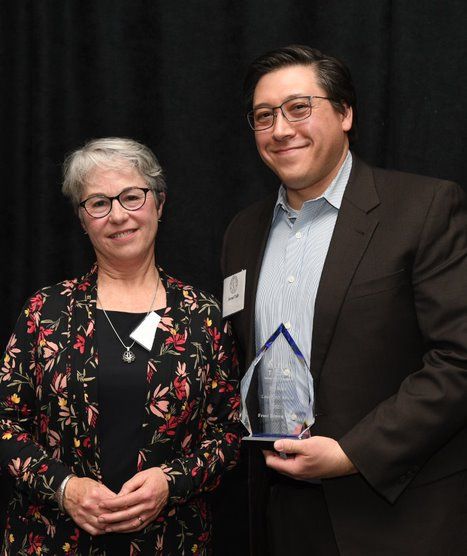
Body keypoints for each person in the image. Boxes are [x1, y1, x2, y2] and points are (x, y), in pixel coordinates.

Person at [221, 45, 467, 555]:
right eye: (264, 116)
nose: (281, 129)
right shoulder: (241, 233)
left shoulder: (422, 209)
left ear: (346, 112)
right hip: (277, 515)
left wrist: (352, 453)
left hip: (393, 514)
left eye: (298, 107)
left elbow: (458, 359)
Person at [0, 137, 241, 555]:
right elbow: (6, 425)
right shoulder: (46, 311)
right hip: (52, 541)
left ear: (159, 204)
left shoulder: (203, 316)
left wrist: (172, 482)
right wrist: (64, 488)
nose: (118, 216)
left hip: (171, 542)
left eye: (132, 197)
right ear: (82, 219)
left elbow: (230, 432)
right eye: (98, 203)